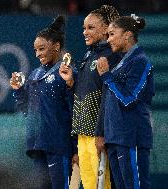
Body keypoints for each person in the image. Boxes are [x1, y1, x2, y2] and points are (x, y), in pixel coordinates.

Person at [59, 5, 121, 189]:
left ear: (105, 29)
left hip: (98, 133)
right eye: (84, 28)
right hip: (83, 131)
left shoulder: (111, 56)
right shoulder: (89, 55)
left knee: (102, 184)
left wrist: (101, 133)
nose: (85, 32)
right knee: (88, 183)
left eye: (91, 28)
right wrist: (71, 82)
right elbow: (84, 91)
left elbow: (109, 96)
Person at [10, 15, 74, 188]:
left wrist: (75, 147)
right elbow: (27, 110)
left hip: (58, 144)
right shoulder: (35, 74)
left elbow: (75, 110)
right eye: (35, 50)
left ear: (56, 47)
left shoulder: (66, 72)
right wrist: (18, 91)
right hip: (37, 144)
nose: (37, 54)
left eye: (42, 49)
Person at [96, 15, 154, 189]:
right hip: (115, 138)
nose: (109, 39)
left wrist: (107, 76)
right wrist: (104, 133)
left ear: (127, 35)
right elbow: (109, 101)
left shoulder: (140, 61)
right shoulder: (122, 63)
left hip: (131, 138)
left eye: (112, 34)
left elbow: (129, 99)